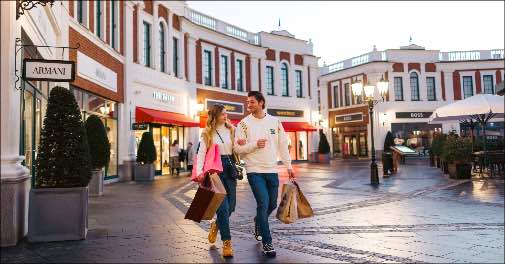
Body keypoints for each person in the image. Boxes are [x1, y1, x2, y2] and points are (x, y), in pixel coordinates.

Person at [234, 91, 294, 257]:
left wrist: (289, 166)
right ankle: (267, 243)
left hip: (271, 170)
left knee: (272, 205)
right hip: (254, 171)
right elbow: (237, 149)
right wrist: (254, 145)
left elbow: (283, 145)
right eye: (248, 102)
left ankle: (258, 221)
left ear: (261, 102)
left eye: (252, 102)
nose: (249, 105)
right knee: (263, 203)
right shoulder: (243, 124)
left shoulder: (275, 122)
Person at [196, 104, 239, 258]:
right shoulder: (207, 133)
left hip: (230, 168)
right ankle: (227, 242)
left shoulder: (232, 130)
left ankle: (216, 224)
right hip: (215, 171)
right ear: (215, 116)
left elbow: (238, 149)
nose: (225, 116)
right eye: (222, 114)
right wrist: (200, 171)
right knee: (223, 208)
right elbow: (201, 153)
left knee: (232, 206)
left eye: (226, 113)